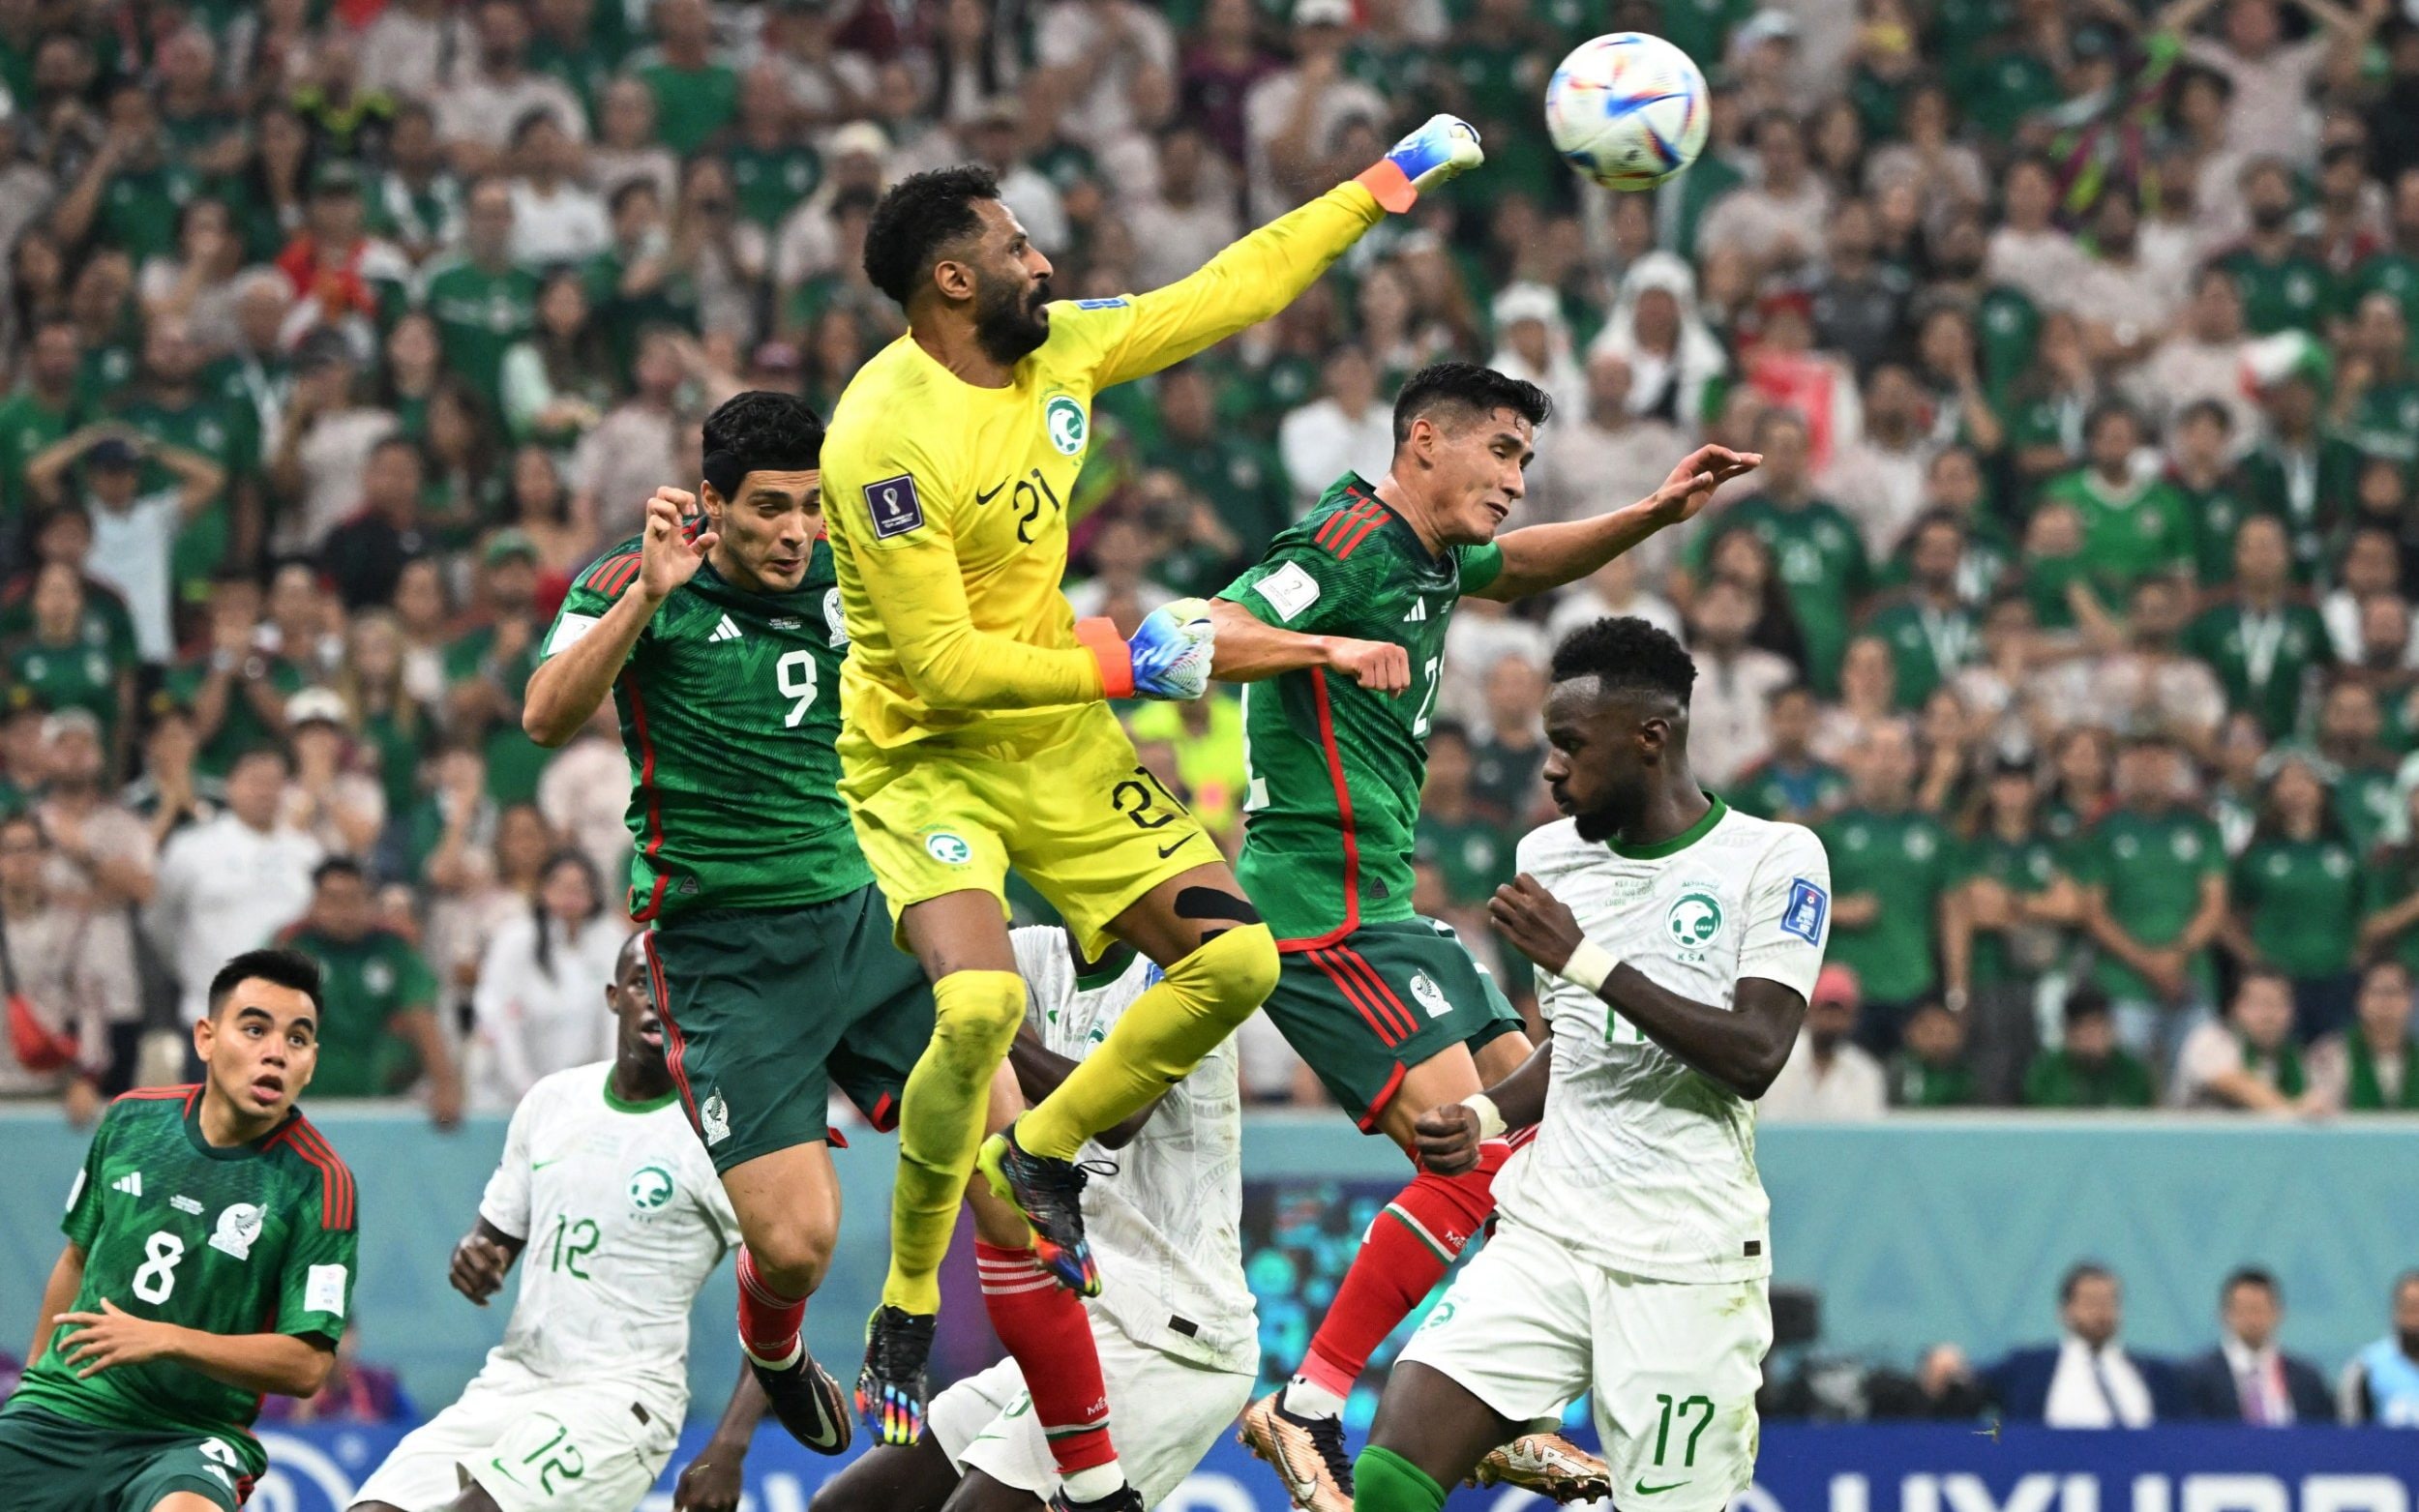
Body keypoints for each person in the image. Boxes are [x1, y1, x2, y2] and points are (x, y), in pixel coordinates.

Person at [815, 117, 1487, 1488]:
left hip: (1057, 739)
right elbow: (941, 664)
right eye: (1014, 245)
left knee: (1235, 956)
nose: (1042, 259)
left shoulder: (1056, 344)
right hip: (922, 755)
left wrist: (1376, 189)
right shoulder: (879, 439)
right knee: (984, 1006)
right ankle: (899, 1300)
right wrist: (1127, 652)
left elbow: (1225, 290)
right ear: (952, 280)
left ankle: (1040, 1160)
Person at [1219, 367, 1755, 1509]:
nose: (1514, 482)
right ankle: (1309, 1401)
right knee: (1465, 1160)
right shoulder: (1350, 538)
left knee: (1547, 1130)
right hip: (1322, 912)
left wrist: (1654, 514)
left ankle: (1503, 1410)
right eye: (1500, 454)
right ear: (1425, 441)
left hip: (1387, 906)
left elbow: (1524, 566)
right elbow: (1209, 630)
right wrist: (1322, 652)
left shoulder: (1425, 556)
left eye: (1522, 462)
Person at [1348, 616, 1830, 1512]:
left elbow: (1755, 1053)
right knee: (1387, 1475)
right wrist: (1489, 1114)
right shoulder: (1547, 857)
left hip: (1686, 1258)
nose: (1552, 769)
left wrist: (1587, 959)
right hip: (1547, 1230)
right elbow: (1576, 1041)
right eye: (1547, 745)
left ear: (1651, 737)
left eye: (1570, 745)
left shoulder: (1775, 858)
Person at [521, 392, 909, 1459]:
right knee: (797, 1246)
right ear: (710, 504)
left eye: (811, 510)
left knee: (1006, 1154)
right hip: (725, 953)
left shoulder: (850, 565)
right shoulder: (631, 578)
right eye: (770, 509)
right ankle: (776, 1349)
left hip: (860, 915)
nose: (795, 534)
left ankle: (1057, 1437)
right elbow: (546, 716)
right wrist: (646, 599)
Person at [809, 922, 1260, 1512]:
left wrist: (979, 1017)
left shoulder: (1183, 968)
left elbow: (1118, 1116)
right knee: (846, 1507)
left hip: (1173, 1338)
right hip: (1077, 1329)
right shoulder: (1028, 954)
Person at [347, 933, 755, 1512]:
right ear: (616, 997)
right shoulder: (553, 1101)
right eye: (646, 983)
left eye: (683, 988)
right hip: (514, 1381)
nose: (662, 1002)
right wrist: (475, 1259)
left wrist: (730, 1447)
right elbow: (493, 1242)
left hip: (622, 1400)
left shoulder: (718, 1131)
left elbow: (782, 1294)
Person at [0, 948, 356, 1512]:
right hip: (64, 1407)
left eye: (296, 1039)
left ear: (311, 1062)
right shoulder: (131, 1119)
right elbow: (75, 1260)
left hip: (189, 1435)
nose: (275, 1054)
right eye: (255, 1028)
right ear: (206, 1039)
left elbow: (307, 1364)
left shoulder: (319, 1184)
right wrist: (31, 1391)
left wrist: (165, 1339)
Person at [1984, 1263, 2176, 1427]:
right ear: (2064, 1311)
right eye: (2091, 1301)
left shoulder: (2157, 1375)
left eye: (2110, 1301)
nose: (2102, 1312)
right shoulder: (2028, 1369)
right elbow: (1973, 1391)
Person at [2175, 1268, 2334, 1424]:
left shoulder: (2306, 1379)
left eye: (2259, 1309)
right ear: (2224, 1314)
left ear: (2279, 1313)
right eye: (2244, 1309)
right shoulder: (2197, 1378)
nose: (2252, 1319)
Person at [1760, 964, 1887, 1120]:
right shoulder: (1775, 1063)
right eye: (1825, 1011)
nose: (1832, 1022)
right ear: (1808, 1011)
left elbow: (1868, 1137)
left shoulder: (1865, 1073)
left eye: (1840, 1014)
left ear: (1853, 1018)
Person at [2339, 1270, 2419, 1426]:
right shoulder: (2366, 1368)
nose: (2415, 1317)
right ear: (2395, 1311)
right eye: (2409, 1307)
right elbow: (2350, 1434)